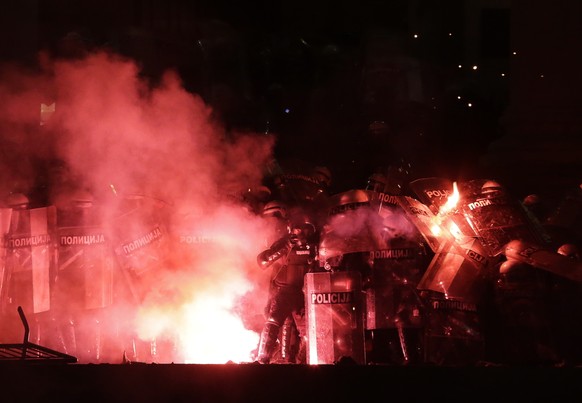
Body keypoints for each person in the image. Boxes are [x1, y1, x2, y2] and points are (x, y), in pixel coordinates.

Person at [254, 210, 319, 364]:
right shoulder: (283, 244)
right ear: (292, 229)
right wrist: (286, 246)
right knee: (274, 321)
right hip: (283, 291)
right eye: (299, 228)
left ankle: (302, 361)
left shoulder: (315, 247)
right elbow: (262, 262)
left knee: (308, 330)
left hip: (304, 293)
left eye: (306, 229)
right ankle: (263, 359)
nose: (302, 232)